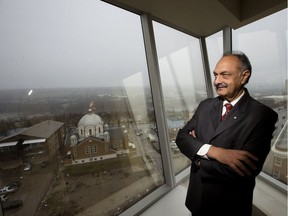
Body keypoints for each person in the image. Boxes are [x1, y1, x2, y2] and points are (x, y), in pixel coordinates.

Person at [175, 51, 278, 216]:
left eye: (224, 75)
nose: (217, 81)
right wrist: (214, 152)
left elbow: (244, 170)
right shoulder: (205, 106)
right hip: (198, 198)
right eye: (215, 75)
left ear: (244, 76)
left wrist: (198, 158)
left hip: (230, 205)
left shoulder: (263, 115)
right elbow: (181, 137)